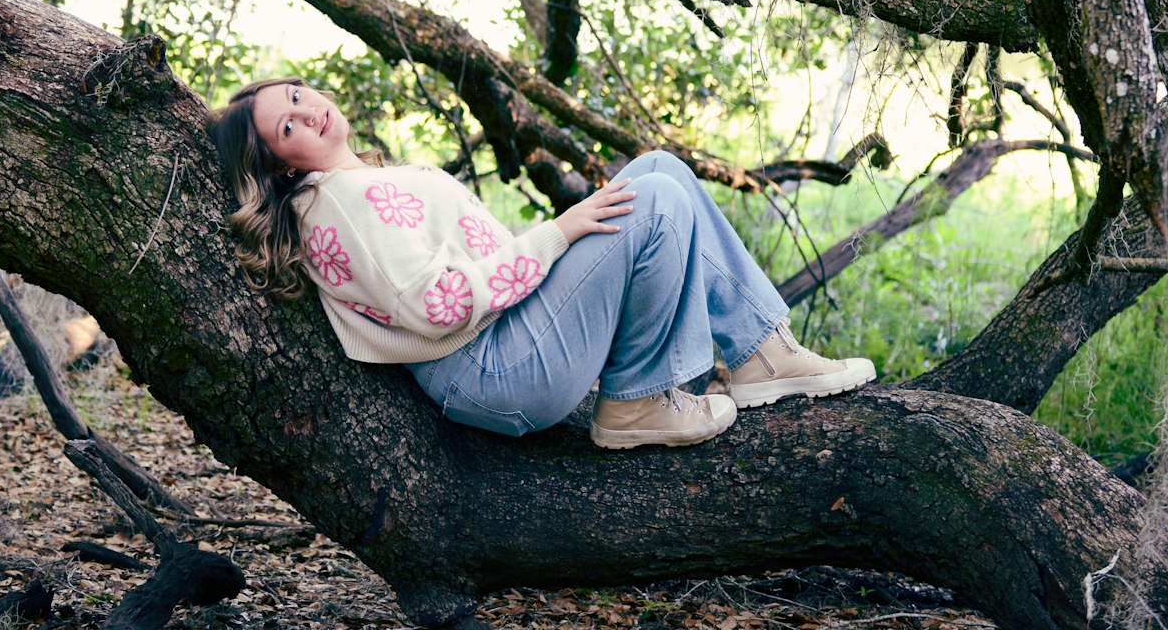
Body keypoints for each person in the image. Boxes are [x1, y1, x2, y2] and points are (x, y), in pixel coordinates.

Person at [210, 77, 875, 449]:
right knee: (655, 199)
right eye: (287, 126)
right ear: (276, 164)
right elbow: (436, 306)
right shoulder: (337, 204)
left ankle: (762, 352)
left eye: (296, 93)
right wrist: (554, 236)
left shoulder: (351, 189)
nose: (308, 110)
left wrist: (551, 243)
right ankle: (638, 404)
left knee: (659, 169)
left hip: (504, 344)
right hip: (493, 368)